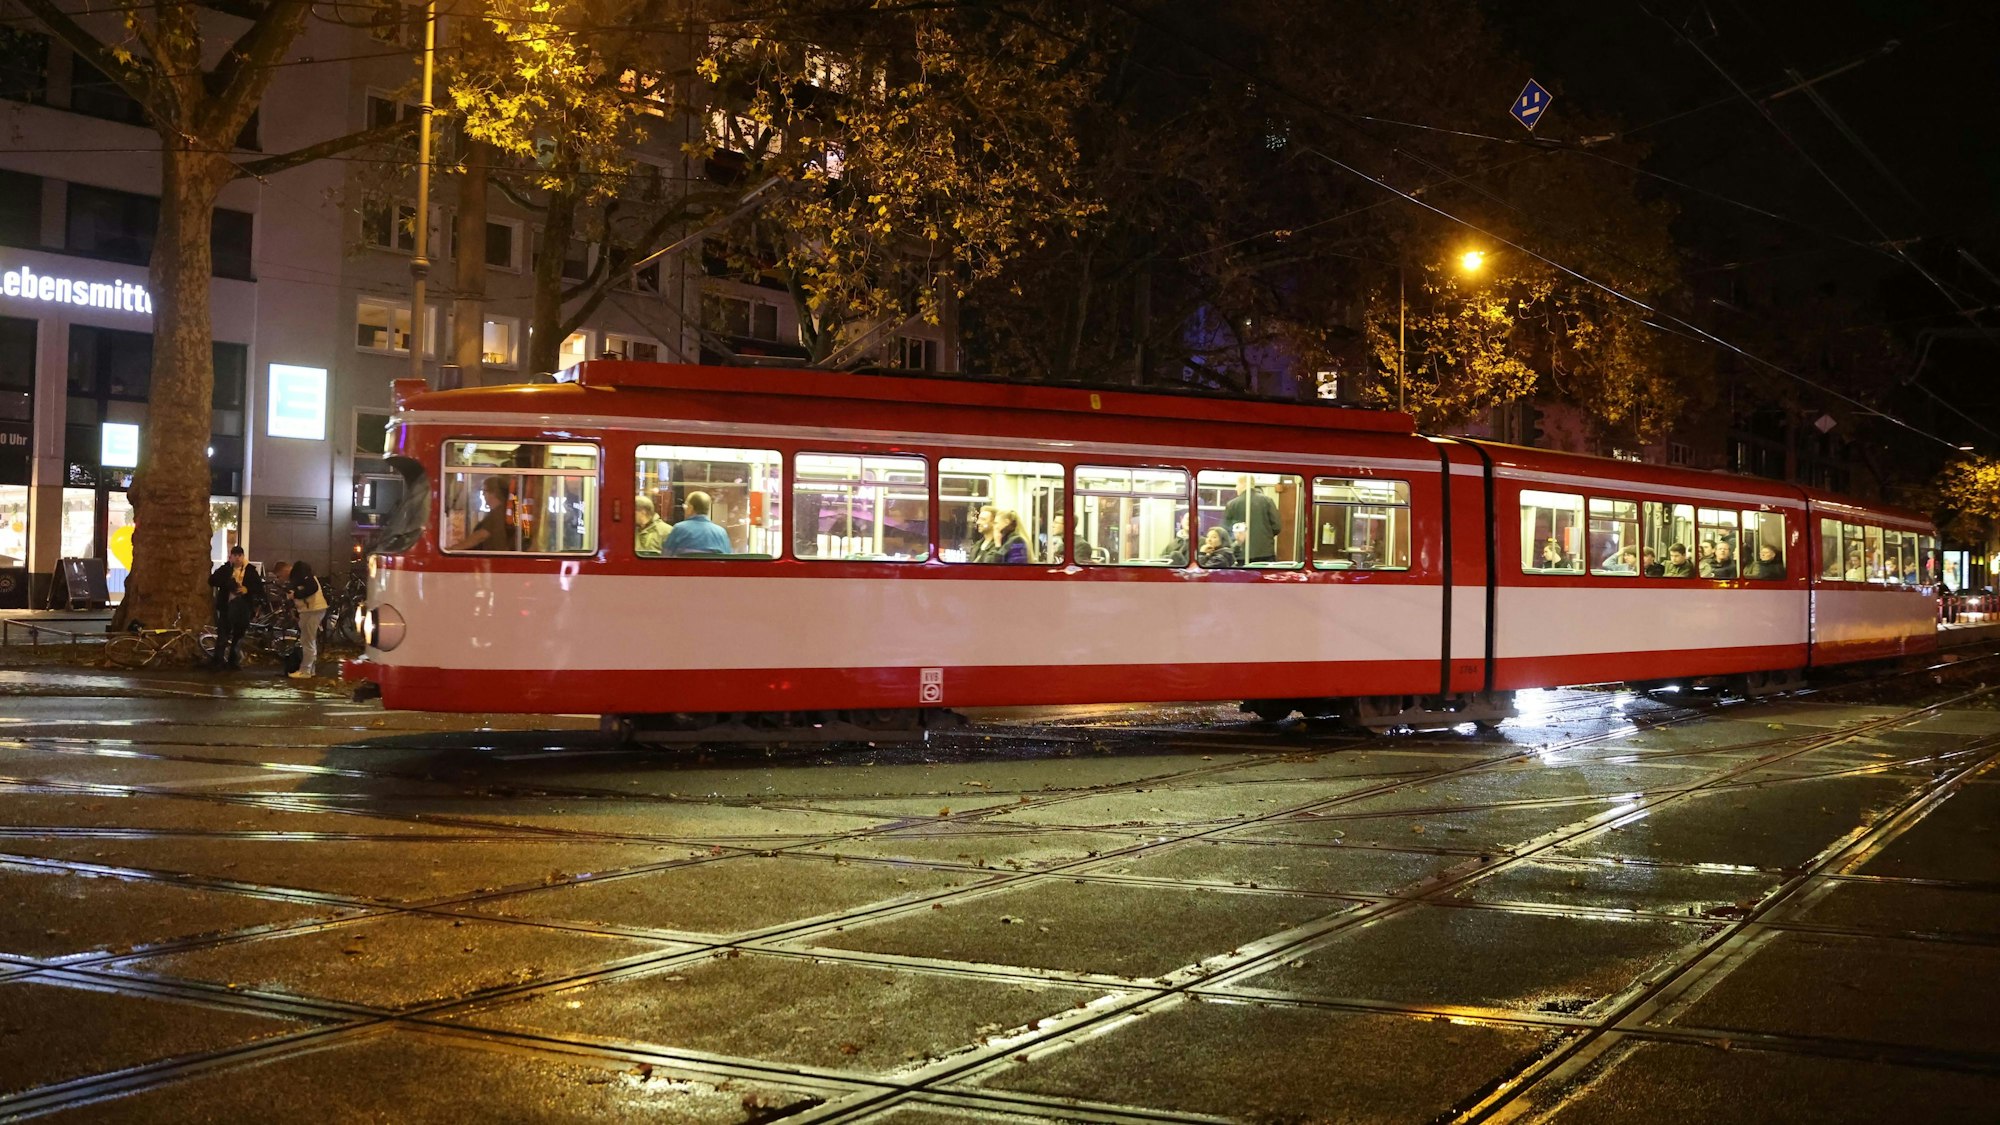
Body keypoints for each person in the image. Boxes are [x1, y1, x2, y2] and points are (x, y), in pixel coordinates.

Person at [208, 546, 263, 670]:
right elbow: (212, 580)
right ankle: (218, 661)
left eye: (240, 555)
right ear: (231, 557)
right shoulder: (225, 569)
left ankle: (233, 661)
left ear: (243, 556)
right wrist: (228, 583)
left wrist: (246, 589)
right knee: (223, 634)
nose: (238, 558)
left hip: (243, 607)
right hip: (226, 606)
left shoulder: (250, 570)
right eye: (235, 556)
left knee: (239, 634)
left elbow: (258, 587)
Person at [448, 477, 520, 551]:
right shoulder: (501, 511)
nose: (482, 494)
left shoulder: (498, 513)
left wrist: (454, 549)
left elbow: (480, 536)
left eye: (484, 491)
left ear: (494, 493)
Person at [1223, 475, 1280, 564]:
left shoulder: (1231, 504)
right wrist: (1265, 536)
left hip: (1241, 554)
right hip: (1265, 553)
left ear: (1244, 484)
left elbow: (1227, 530)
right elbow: (1277, 527)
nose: (1236, 488)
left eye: (1237, 485)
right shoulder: (1267, 501)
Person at [288, 560, 328, 679]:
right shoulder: (309, 578)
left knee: (307, 641)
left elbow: (311, 589)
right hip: (313, 610)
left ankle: (305, 671)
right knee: (309, 640)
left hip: (312, 610)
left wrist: (295, 595)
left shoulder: (307, 579)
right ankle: (310, 670)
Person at [661, 490, 731, 555]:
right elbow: (728, 558)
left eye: (685, 506)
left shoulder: (679, 529)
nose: (684, 509)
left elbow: (666, 557)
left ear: (691, 508)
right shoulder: (721, 532)